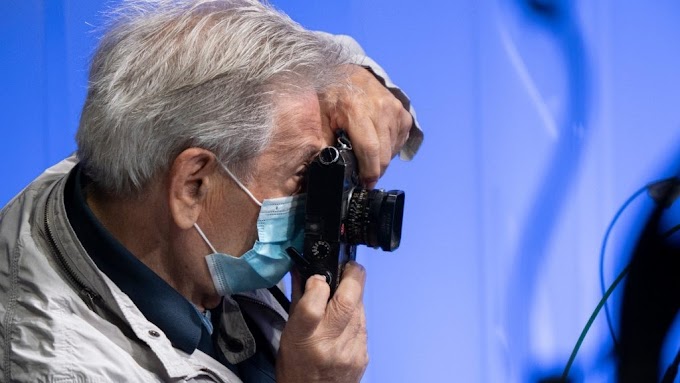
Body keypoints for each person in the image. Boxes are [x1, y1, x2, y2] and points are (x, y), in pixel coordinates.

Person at [0, 1, 422, 382]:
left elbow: (281, 57)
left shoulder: (144, 135)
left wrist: (356, 81)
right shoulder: (59, 366)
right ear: (193, 185)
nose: (319, 197)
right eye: (301, 175)